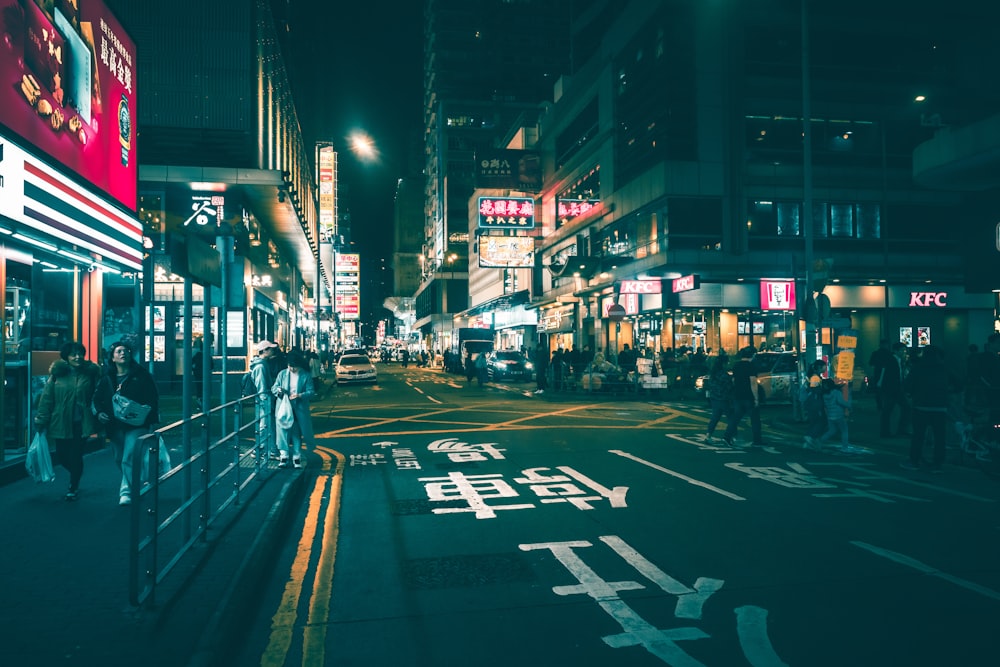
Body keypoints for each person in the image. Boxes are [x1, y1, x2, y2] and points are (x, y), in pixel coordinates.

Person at [33, 341, 103, 501]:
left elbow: (99, 396)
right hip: (61, 421)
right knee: (62, 455)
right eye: (73, 354)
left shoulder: (91, 373)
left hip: (82, 421)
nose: (78, 357)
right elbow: (47, 398)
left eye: (80, 353)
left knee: (76, 454)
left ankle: (73, 485)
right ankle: (76, 473)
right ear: (66, 357)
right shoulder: (58, 374)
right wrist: (41, 419)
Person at [93, 342, 160, 506]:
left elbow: (153, 398)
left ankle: (127, 492)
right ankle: (135, 483)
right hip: (114, 425)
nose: (123, 353)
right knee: (119, 458)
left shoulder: (141, 375)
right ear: (113, 357)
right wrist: (99, 412)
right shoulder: (107, 378)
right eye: (119, 351)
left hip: (136, 424)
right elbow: (97, 399)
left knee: (128, 457)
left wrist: (152, 420)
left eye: (126, 351)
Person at [900, 345, 957, 473]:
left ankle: (914, 461)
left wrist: (913, 393)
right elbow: (958, 383)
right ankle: (937, 463)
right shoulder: (944, 368)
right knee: (940, 437)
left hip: (921, 406)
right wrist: (948, 391)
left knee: (918, 436)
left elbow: (907, 386)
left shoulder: (918, 368)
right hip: (940, 407)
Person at [271, 349, 316, 468]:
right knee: (282, 432)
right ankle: (284, 456)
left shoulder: (305, 375)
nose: (291, 369)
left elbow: (311, 392)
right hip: (284, 408)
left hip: (299, 408)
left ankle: (296, 457)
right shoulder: (282, 374)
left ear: (299, 365)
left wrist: (300, 395)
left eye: (294, 367)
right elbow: (274, 388)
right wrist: (279, 391)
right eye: (290, 366)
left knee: (296, 433)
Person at [723, 346, 762, 448]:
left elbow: (734, 380)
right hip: (748, 395)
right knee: (755, 418)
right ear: (751, 355)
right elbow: (753, 382)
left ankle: (727, 435)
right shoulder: (751, 366)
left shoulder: (736, 365)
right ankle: (757, 439)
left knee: (736, 417)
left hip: (737, 394)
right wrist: (756, 398)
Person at [249, 340, 280, 460]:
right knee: (265, 425)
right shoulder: (261, 366)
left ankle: (272, 450)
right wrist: (266, 403)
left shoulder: (263, 364)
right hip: (264, 400)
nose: (273, 350)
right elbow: (261, 387)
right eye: (271, 349)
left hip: (266, 399)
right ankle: (258, 450)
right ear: (264, 351)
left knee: (270, 425)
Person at [877, 342, 909, 437]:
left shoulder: (897, 360)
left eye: (904, 350)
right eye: (902, 350)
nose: (904, 352)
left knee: (888, 410)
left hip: (893, 389)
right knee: (901, 408)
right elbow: (890, 377)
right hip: (892, 389)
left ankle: (887, 431)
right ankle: (895, 431)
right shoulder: (892, 360)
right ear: (896, 351)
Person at [817, 378, 851, 453]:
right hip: (839, 415)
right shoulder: (836, 392)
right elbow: (841, 402)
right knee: (844, 431)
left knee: (832, 430)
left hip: (830, 415)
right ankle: (845, 447)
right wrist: (849, 406)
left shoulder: (824, 395)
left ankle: (821, 440)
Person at [704, 355, 733, 442]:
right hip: (724, 398)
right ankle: (730, 437)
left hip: (714, 398)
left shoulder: (713, 373)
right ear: (724, 363)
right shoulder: (724, 375)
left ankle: (708, 435)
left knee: (715, 417)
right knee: (732, 418)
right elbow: (729, 387)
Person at [868, 339, 893, 410]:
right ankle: (886, 405)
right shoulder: (889, 353)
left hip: (877, 373)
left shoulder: (875, 353)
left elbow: (871, 363)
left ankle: (880, 406)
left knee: (878, 391)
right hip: (888, 374)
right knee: (887, 390)